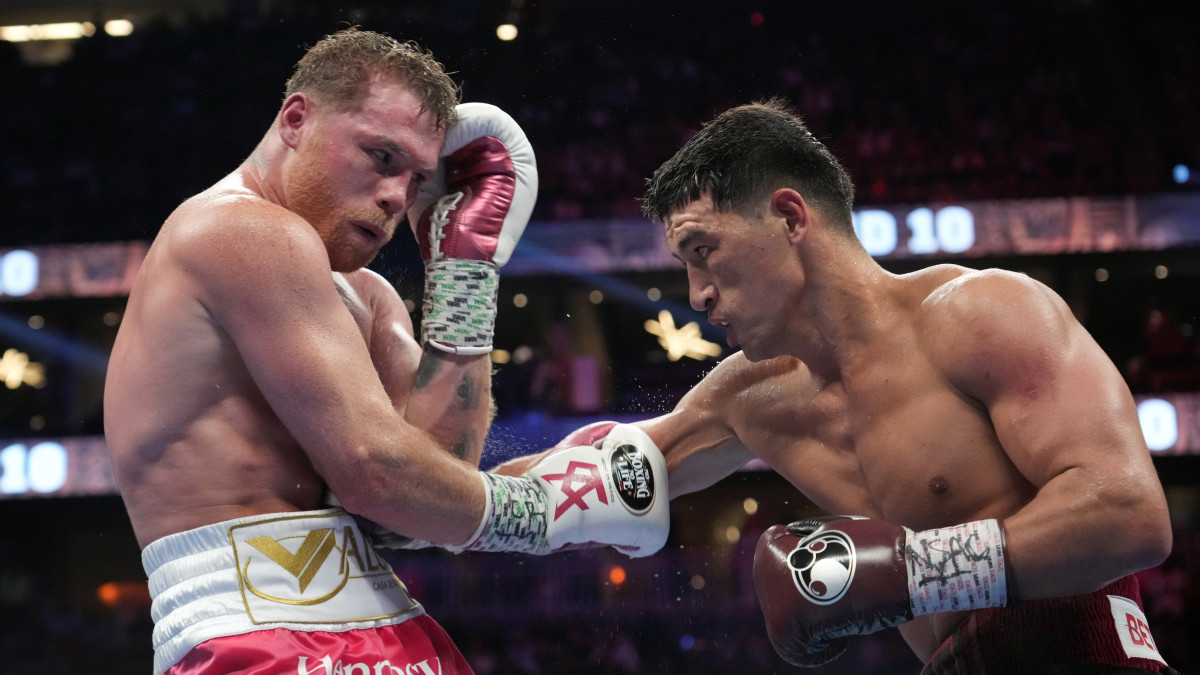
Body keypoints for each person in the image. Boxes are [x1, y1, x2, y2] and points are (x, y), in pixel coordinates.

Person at [534, 98, 1177, 673]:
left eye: (703, 251)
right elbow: (569, 484)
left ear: (789, 217)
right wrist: (485, 299)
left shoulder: (979, 315)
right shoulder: (750, 396)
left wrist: (911, 575)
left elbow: (1130, 515)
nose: (697, 293)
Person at [103, 28, 669, 675]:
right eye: (381, 156)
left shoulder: (368, 296)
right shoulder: (237, 228)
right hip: (255, 635)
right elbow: (375, 471)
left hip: (391, 623)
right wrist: (545, 512)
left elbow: (429, 493)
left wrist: (464, 271)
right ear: (296, 120)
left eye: (417, 177)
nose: (398, 196)